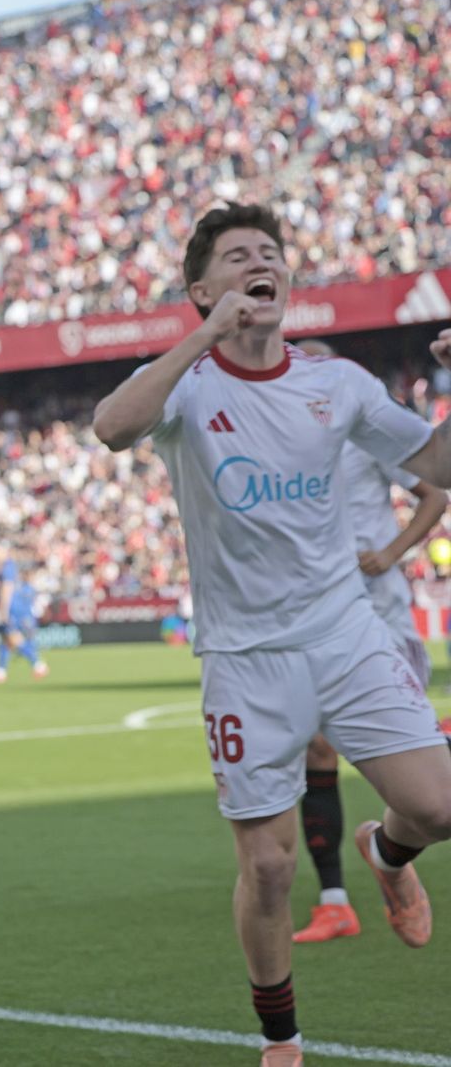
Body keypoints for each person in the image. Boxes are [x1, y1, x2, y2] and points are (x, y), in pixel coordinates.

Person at [92, 202, 451, 1067]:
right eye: (239, 256)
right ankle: (281, 1042)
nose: (263, 263)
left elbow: (438, 469)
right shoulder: (187, 388)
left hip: (345, 631)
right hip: (247, 661)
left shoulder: (338, 385)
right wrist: (202, 337)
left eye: (271, 254)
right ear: (202, 288)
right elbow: (111, 427)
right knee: (269, 869)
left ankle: (386, 848)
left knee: (438, 807)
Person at [286, 340, 448, 943]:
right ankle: (334, 900)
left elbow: (436, 491)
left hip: (380, 619)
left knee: (418, 790)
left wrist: (390, 553)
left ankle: (388, 854)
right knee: (317, 750)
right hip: (314, 624)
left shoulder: (363, 427)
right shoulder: (280, 439)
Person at [0, 542, 47, 684]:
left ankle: (37, 663)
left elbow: (6, 589)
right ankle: (0, 670)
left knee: (14, 638)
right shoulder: (5, 566)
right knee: (6, 639)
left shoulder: (7, 567)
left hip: (13, 609)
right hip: (16, 608)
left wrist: (4, 610)